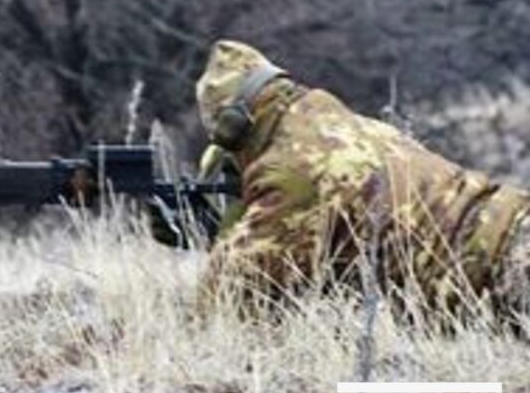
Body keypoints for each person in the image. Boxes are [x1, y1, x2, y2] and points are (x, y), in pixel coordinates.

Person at [194, 40, 530, 317]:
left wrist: (214, 232)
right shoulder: (351, 127)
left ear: (234, 124)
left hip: (504, 265)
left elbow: (227, 302)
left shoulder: (293, 171)